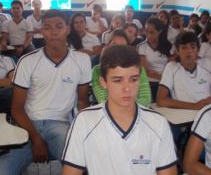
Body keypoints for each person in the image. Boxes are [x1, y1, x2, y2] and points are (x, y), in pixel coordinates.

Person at [0, 9, 92, 175]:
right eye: (47, 27)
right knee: (0, 170)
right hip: (27, 124)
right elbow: (17, 108)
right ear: (42, 31)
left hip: (61, 124)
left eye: (59, 26)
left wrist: (84, 133)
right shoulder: (27, 61)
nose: (53, 31)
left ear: (68, 29)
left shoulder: (82, 60)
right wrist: (36, 139)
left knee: (82, 167)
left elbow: (82, 102)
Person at [62, 45, 178, 175]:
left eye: (133, 79)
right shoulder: (84, 121)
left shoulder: (158, 124)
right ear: (103, 82)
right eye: (117, 80)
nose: (127, 88)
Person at [92, 29, 151, 107]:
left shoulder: (139, 69)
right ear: (107, 46)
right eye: (114, 45)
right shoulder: (97, 70)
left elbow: (146, 99)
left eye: (122, 46)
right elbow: (103, 100)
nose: (118, 50)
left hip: (137, 113)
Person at [157, 32, 211, 110]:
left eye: (193, 47)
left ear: (198, 50)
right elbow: (161, 100)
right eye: (184, 47)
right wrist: (194, 106)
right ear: (177, 51)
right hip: (185, 116)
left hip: (210, 111)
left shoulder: (207, 64)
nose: (189, 51)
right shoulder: (171, 68)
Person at [137, 18, 173, 101]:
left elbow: (171, 68)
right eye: (146, 31)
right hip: (148, 83)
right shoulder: (142, 47)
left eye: (152, 32)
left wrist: (163, 78)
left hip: (165, 83)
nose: (148, 35)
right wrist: (162, 77)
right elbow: (145, 71)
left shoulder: (168, 46)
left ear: (159, 31)